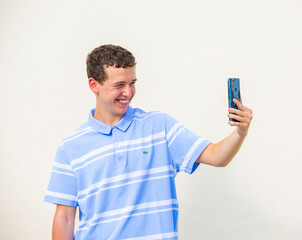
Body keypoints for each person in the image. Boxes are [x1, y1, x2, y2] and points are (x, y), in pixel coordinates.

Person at [44, 44, 253, 240]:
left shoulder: (159, 126)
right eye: (119, 85)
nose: (128, 92)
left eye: (132, 83)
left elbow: (217, 156)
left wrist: (240, 131)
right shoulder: (70, 147)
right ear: (94, 85)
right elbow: (64, 218)